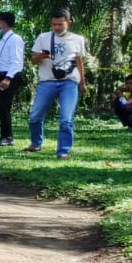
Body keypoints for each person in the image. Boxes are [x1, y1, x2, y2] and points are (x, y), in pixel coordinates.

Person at [28, 9, 88, 157]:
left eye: (60, 24)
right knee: (35, 115)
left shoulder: (78, 39)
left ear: (69, 23)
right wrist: (40, 56)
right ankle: (36, 143)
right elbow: (33, 60)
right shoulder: (43, 37)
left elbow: (79, 62)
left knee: (66, 119)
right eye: (53, 25)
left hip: (69, 82)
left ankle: (63, 151)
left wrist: (82, 83)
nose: (56, 28)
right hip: (47, 81)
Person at [0, 11, 25, 146]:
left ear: (2, 22)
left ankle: (8, 137)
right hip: (0, 75)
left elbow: (16, 61)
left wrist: (8, 78)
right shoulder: (2, 39)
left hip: (9, 76)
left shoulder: (15, 39)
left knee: (3, 106)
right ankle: (3, 135)